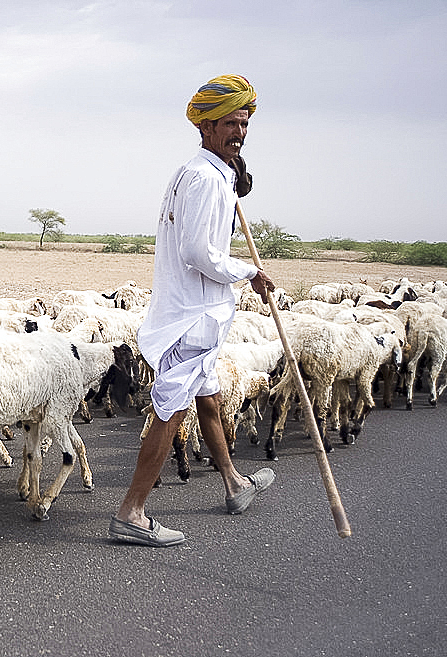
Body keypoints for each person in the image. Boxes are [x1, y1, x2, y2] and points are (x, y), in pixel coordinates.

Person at [108, 74, 277, 547]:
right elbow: (199, 252)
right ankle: (132, 511)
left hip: (191, 312)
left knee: (207, 396)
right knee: (170, 410)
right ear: (205, 126)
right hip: (193, 318)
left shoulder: (199, 173)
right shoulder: (206, 179)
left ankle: (233, 483)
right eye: (229, 124)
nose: (238, 133)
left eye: (243, 124)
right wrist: (249, 273)